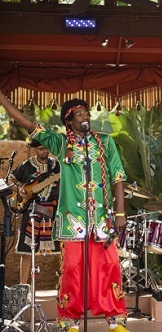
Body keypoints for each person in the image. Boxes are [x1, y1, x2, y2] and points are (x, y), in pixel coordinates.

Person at [0, 91, 129, 332]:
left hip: (102, 220)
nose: (85, 116)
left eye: (86, 113)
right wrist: (3, 101)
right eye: (79, 114)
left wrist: (120, 214)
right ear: (68, 120)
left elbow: (117, 177)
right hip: (73, 222)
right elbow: (28, 124)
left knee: (109, 266)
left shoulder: (105, 142)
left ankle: (115, 320)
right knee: (72, 270)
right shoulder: (61, 144)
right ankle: (70, 321)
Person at [8, 139, 60, 284]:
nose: (44, 151)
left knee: (62, 249)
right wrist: (20, 188)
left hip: (53, 211)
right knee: (26, 251)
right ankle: (24, 287)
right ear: (35, 149)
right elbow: (10, 179)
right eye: (41, 149)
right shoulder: (27, 165)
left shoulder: (57, 167)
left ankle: (64, 288)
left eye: (46, 148)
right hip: (31, 210)